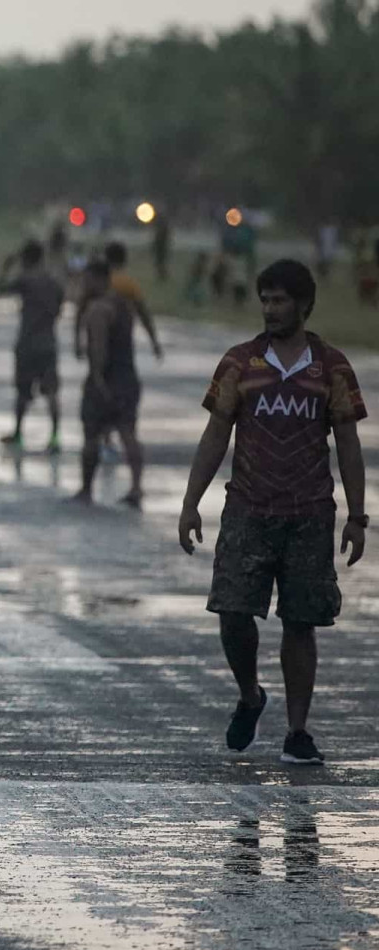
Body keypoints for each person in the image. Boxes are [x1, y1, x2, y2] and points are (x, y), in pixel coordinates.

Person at [179, 259, 365, 767]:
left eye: (280, 301)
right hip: (247, 509)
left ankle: (298, 731)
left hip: (309, 513)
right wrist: (191, 502)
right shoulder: (239, 363)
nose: (270, 309)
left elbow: (348, 443)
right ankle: (249, 694)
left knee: (300, 622)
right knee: (233, 612)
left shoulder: (332, 368)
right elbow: (216, 434)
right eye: (265, 300)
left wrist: (357, 515)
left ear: (304, 305)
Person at [73, 260, 144, 507]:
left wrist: (97, 378)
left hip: (106, 380)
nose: (83, 284)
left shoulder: (98, 310)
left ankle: (86, 489)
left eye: (86, 279)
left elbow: (98, 349)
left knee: (91, 435)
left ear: (98, 279)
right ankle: (136, 487)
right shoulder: (123, 304)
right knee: (128, 433)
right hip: (128, 378)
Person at [0, 240, 66, 454]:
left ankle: (18, 433)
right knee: (52, 392)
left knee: (23, 391)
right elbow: (59, 309)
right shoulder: (53, 282)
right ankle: (55, 436)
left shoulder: (25, 280)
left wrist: (6, 267)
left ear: (25, 259)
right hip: (48, 343)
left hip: (27, 343)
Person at [77, 241, 163, 363]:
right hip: (122, 340)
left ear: (105, 258)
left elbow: (81, 311)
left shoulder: (97, 283)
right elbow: (143, 313)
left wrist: (77, 340)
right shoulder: (129, 284)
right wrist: (154, 342)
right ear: (124, 260)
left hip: (97, 338)